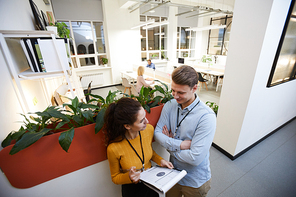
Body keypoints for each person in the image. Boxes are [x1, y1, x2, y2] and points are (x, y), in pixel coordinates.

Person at [154, 65, 216, 197]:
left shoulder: (206, 117)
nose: (175, 96)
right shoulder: (170, 105)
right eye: (173, 91)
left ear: (194, 88)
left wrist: (170, 145)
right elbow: (158, 133)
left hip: (194, 181)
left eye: (181, 92)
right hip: (172, 173)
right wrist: (180, 145)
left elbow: (195, 158)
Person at [104, 97, 173, 197]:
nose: (147, 122)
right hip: (132, 190)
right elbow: (115, 177)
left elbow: (149, 152)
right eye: (141, 121)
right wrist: (129, 177)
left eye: (145, 116)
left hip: (152, 183)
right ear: (127, 126)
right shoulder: (113, 148)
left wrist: (161, 160)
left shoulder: (148, 130)